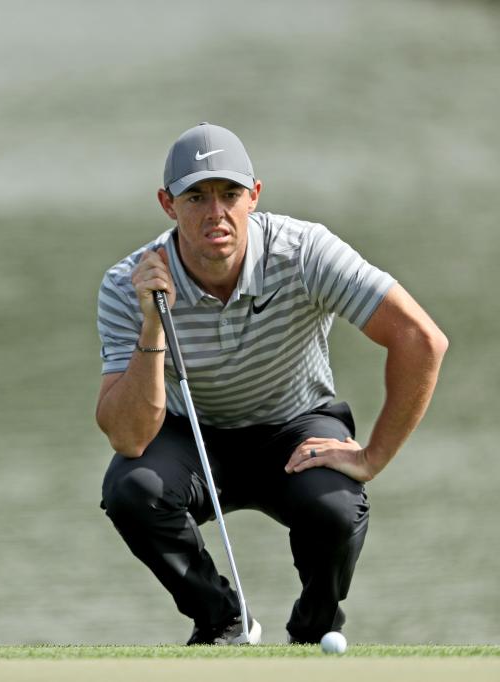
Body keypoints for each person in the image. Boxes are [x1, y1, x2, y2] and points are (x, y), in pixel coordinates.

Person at [95, 122, 447, 645]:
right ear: (168, 204)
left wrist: (373, 457)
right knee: (131, 490)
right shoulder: (130, 284)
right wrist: (153, 324)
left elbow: (421, 340)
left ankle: (313, 632)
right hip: (190, 434)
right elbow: (128, 438)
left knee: (336, 506)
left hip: (293, 426)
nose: (216, 212)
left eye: (230, 194)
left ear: (254, 196)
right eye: (197, 196)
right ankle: (222, 623)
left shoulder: (304, 252)